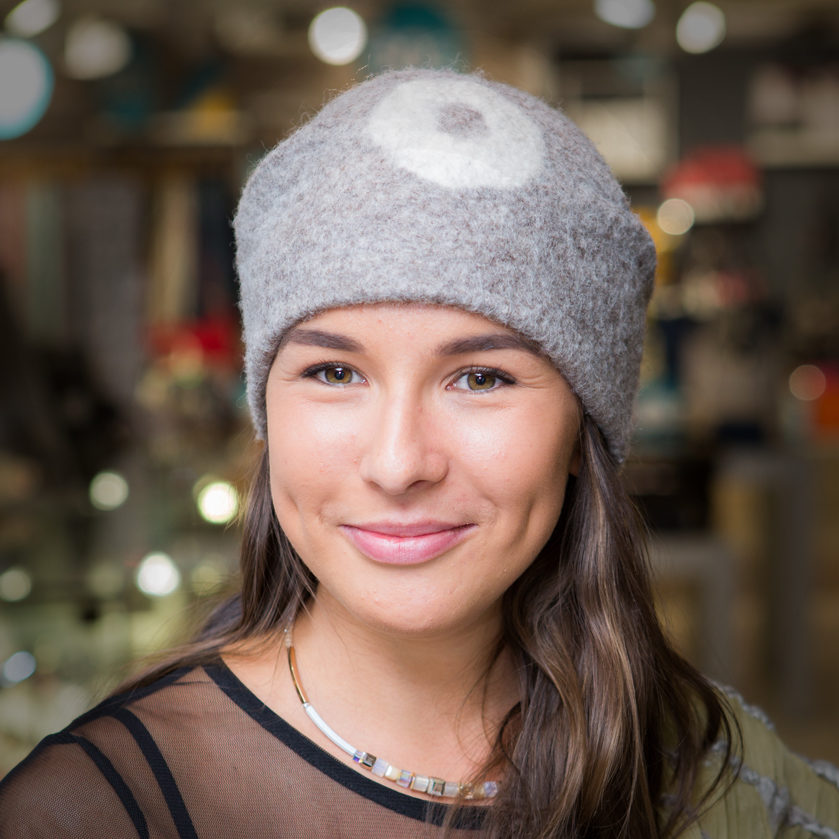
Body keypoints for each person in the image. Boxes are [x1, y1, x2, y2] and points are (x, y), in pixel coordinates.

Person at [1, 68, 837, 839]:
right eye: (334, 371)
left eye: (478, 377)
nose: (399, 463)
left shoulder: (705, 770)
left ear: (580, 434)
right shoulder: (90, 812)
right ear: (266, 412)